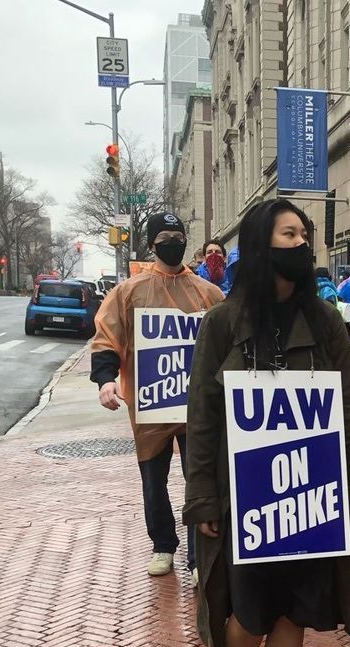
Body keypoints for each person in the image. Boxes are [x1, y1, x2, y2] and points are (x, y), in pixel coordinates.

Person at [183, 199, 350, 647]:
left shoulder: (326, 324)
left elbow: (347, 406)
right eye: (289, 235)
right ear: (260, 243)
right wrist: (203, 497)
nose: (301, 244)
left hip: (312, 496)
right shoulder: (223, 324)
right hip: (246, 497)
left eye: (303, 235)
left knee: (296, 608)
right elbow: (201, 418)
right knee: (249, 611)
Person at [89, 212, 224, 577]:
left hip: (196, 407)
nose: (172, 241)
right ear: (151, 244)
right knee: (154, 480)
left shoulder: (208, 293)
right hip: (151, 405)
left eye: (177, 235)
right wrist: (105, 379)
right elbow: (107, 337)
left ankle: (199, 556)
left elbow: (228, 340)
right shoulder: (129, 292)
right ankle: (163, 544)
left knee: (200, 478)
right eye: (164, 236)